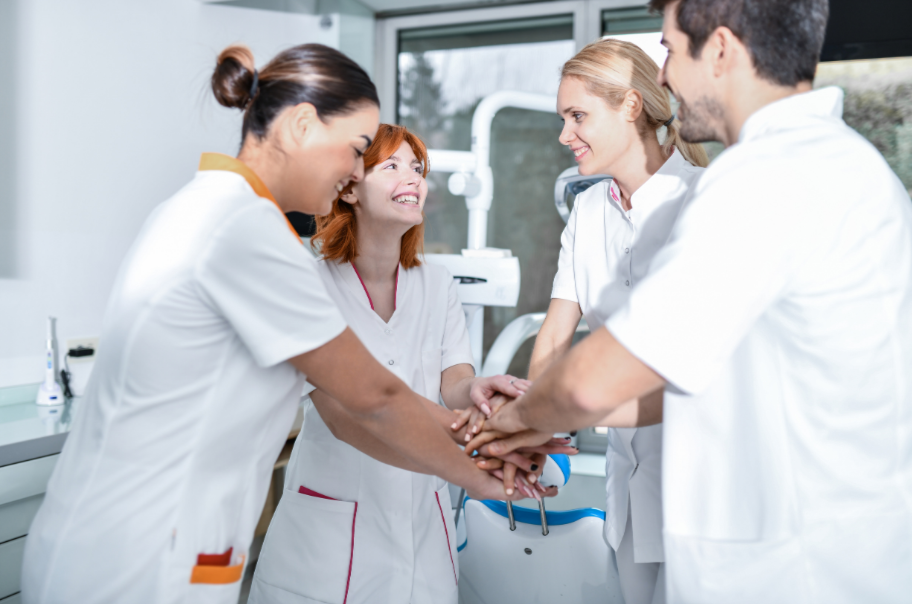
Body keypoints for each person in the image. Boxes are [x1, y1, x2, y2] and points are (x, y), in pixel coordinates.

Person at [21, 44, 526, 604]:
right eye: (358, 150)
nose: (354, 172)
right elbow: (373, 398)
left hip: (150, 547)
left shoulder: (213, 209)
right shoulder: (244, 230)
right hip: (135, 562)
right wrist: (487, 466)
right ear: (303, 125)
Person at [473, 1, 912, 602]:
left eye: (673, 51)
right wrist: (536, 428)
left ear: (723, 50)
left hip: (789, 568)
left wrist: (513, 425)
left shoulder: (760, 181)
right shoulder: (849, 167)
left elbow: (591, 383)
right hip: (835, 553)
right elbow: (687, 386)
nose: (664, 77)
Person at [248, 124, 565, 604]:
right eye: (392, 166)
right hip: (330, 537)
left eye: (418, 169)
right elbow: (347, 417)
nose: (413, 178)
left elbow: (454, 380)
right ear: (349, 187)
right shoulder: (310, 286)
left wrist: (477, 392)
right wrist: (476, 459)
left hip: (423, 524)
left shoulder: (438, 285)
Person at [528, 38, 708, 604]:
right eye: (563, 118)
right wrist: (538, 428)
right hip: (627, 482)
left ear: (631, 106)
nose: (565, 135)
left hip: (697, 483)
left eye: (578, 116)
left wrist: (558, 411)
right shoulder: (587, 209)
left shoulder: (701, 200)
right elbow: (555, 335)